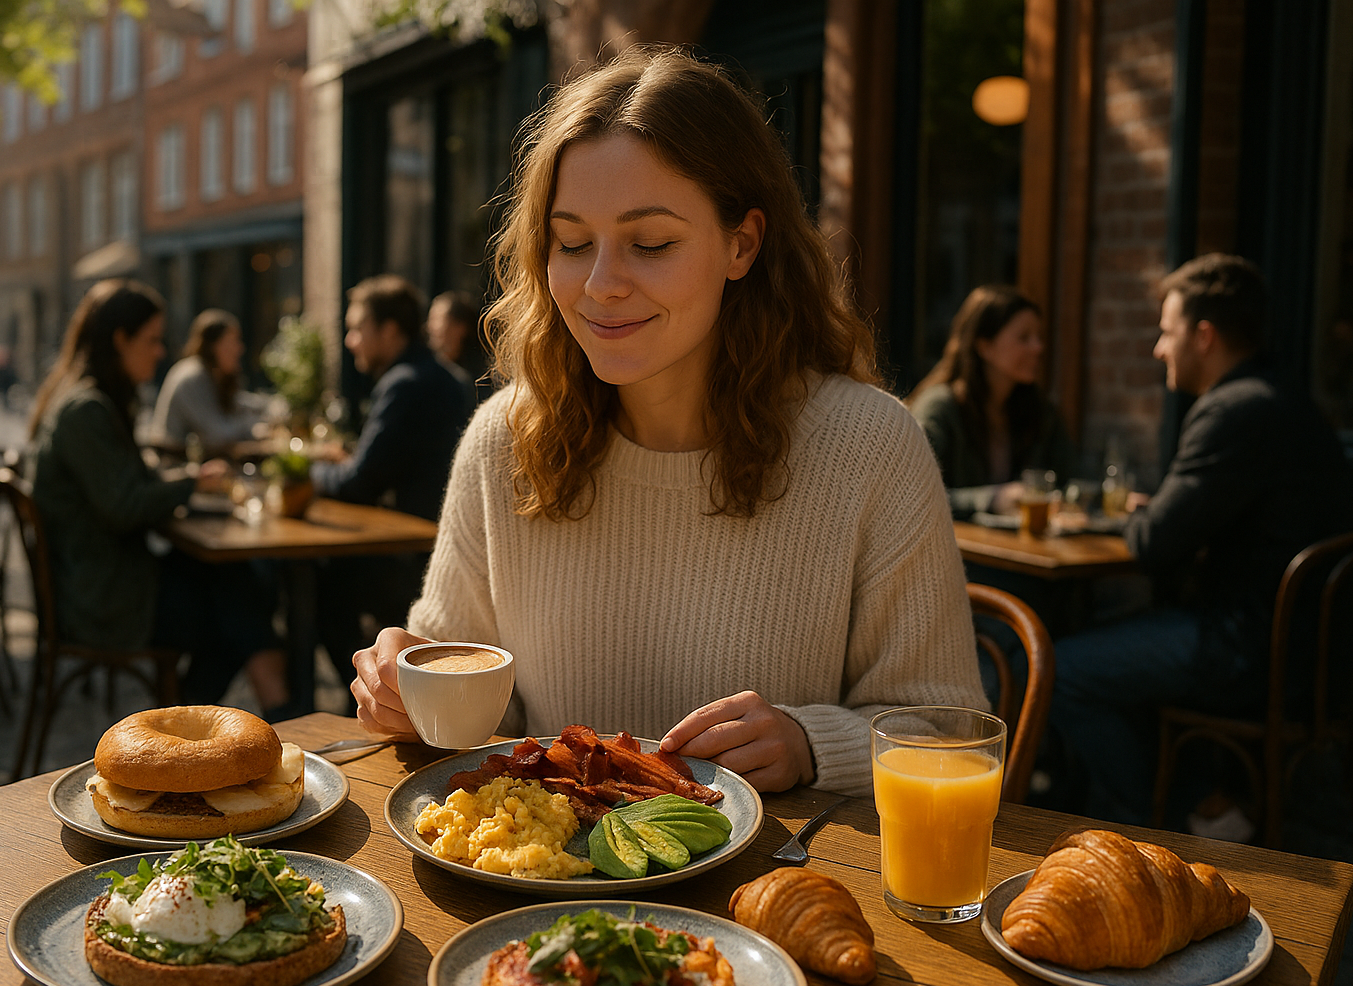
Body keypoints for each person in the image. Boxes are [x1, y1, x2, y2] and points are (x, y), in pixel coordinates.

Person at [348, 48, 984, 796]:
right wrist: (405, 695)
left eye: (650, 244)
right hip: (546, 866)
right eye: (571, 243)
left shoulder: (869, 446)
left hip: (778, 866)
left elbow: (948, 735)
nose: (600, 284)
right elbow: (474, 714)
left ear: (742, 244)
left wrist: (812, 744)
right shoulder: (503, 441)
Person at [1047, 254, 1353, 828]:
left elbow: (1154, 545)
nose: (1157, 349)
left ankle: (1156, 824)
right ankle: (1203, 804)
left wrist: (1139, 516)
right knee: (1113, 643)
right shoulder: (1288, 401)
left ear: (1204, 336)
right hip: (1313, 651)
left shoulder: (1232, 411)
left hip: (1251, 648)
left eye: (1167, 332)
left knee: (1058, 668)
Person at [29, 279, 289, 711]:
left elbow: (125, 488)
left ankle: (197, 711)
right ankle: (261, 708)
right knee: (243, 597)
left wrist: (183, 480)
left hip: (103, 581)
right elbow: (123, 506)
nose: (160, 351)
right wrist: (190, 484)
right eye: (151, 340)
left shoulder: (89, 402)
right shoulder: (86, 411)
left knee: (240, 586)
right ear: (120, 340)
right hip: (104, 602)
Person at [311, 275, 475, 703]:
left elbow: (359, 483)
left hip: (414, 556)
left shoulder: (405, 383)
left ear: (389, 330)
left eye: (357, 328)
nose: (350, 340)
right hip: (445, 549)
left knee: (317, 586)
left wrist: (307, 475)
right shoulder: (445, 376)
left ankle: (365, 696)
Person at [907, 285, 1076, 515]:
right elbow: (911, 493)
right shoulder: (941, 408)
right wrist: (991, 499)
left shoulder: (1039, 410)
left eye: (1039, 337)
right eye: (1024, 337)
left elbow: (1070, 479)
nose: (1038, 347)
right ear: (984, 346)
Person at [149, 308, 265, 454]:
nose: (240, 349)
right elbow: (217, 435)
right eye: (233, 341)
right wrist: (255, 427)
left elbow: (241, 403)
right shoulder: (192, 376)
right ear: (214, 346)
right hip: (172, 461)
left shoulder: (214, 375)